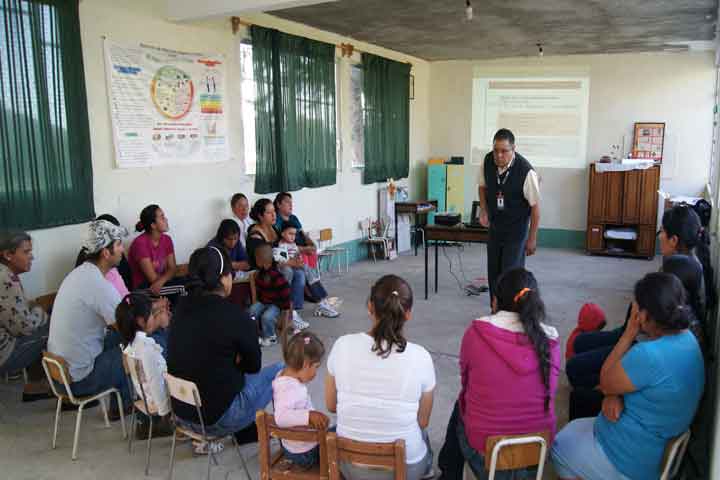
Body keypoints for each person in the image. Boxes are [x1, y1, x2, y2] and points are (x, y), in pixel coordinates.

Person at [551, 272, 704, 480]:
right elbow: (648, 384)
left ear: (645, 314)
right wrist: (614, 395)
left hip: (629, 460)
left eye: (638, 308)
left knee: (557, 448)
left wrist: (629, 332)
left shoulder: (648, 355)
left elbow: (605, 381)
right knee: (573, 428)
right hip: (652, 447)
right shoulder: (689, 339)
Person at [437, 268, 561, 480]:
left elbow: (466, 382)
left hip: (486, 455)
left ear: (495, 301)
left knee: (461, 405)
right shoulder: (551, 342)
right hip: (536, 455)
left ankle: (449, 474)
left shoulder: (477, 333)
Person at [167, 246, 282, 450]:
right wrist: (235, 359)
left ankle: (247, 432)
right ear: (223, 278)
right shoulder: (236, 316)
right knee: (281, 370)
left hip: (182, 415)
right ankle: (292, 442)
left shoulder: (178, 310)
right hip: (217, 420)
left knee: (224, 370)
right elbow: (253, 366)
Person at [325, 275, 435, 480]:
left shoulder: (342, 345)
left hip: (351, 465)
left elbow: (331, 405)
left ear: (370, 307)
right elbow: (423, 420)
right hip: (406, 469)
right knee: (422, 437)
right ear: (408, 314)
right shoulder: (421, 357)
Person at [47, 220, 132, 417]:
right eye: (119, 244)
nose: (122, 249)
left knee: (119, 339)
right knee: (141, 344)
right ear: (106, 253)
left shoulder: (78, 274)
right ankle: (139, 412)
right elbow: (128, 327)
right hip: (79, 381)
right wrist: (155, 319)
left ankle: (121, 405)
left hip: (61, 376)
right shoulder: (98, 285)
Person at [477, 129, 541, 297]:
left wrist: (532, 238)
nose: (499, 155)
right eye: (495, 150)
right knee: (494, 273)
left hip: (516, 230)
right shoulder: (487, 161)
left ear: (514, 149)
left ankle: (511, 309)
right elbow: (482, 187)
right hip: (495, 227)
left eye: (504, 151)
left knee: (511, 275)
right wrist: (483, 209)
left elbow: (535, 208)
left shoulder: (526, 171)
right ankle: (495, 307)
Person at [0, 231, 51, 401]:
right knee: (53, 327)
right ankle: (41, 385)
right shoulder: (5, 279)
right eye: (26, 252)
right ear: (8, 255)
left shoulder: (5, 273)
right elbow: (24, 328)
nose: (32, 257)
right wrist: (40, 311)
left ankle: (36, 384)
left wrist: (35, 310)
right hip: (5, 355)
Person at [116, 292, 173, 438]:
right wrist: (165, 414)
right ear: (141, 321)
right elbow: (155, 382)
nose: (154, 317)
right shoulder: (147, 348)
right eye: (152, 315)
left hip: (145, 396)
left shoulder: (130, 346)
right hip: (161, 400)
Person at [246, 199, 309, 329]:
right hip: (264, 269)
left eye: (274, 211)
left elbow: (283, 248)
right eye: (269, 213)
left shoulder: (273, 228)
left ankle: (292, 311)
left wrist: (294, 256)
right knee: (288, 271)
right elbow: (265, 258)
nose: (274, 215)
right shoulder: (255, 235)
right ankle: (283, 308)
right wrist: (289, 262)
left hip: (278, 264)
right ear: (260, 216)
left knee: (300, 272)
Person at [272, 331, 329, 467]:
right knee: (339, 439)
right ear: (305, 364)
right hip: (304, 452)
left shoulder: (283, 377)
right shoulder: (290, 388)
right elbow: (281, 417)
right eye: (316, 367)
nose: (316, 373)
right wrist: (309, 416)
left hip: (294, 446)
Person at [274, 224, 339, 318]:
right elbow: (283, 261)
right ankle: (318, 302)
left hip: (296, 266)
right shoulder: (281, 245)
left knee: (309, 273)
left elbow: (299, 254)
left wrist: (299, 258)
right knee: (307, 273)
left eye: (294, 234)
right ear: (283, 234)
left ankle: (320, 301)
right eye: (290, 234)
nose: (293, 236)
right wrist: (296, 261)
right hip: (287, 268)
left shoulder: (292, 244)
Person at [75, 214, 132, 294]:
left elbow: (127, 278)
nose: (122, 249)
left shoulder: (103, 262)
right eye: (118, 244)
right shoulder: (100, 283)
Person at [251, 243, 294, 347]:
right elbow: (260, 288)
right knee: (251, 312)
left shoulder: (276, 275)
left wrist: (286, 308)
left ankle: (270, 337)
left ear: (261, 261)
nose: (255, 261)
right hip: (264, 301)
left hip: (276, 304)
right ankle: (255, 334)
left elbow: (285, 292)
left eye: (256, 259)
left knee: (266, 317)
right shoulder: (260, 273)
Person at [128, 205, 178, 294]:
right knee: (185, 288)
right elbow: (152, 279)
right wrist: (166, 279)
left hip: (161, 284)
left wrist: (163, 280)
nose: (166, 219)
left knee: (188, 285)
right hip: (144, 290)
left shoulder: (167, 239)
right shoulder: (140, 243)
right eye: (162, 217)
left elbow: (172, 268)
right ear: (153, 225)